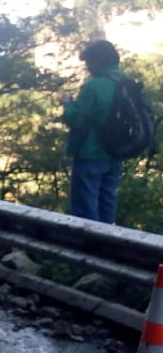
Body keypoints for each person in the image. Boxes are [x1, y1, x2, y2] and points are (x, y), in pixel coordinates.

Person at [61, 39, 125, 223]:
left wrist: (68, 105)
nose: (88, 67)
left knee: (85, 206)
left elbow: (77, 120)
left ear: (97, 61)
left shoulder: (94, 86)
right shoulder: (125, 82)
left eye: (88, 62)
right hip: (115, 154)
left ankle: (86, 245)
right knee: (107, 200)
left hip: (90, 152)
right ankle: (106, 243)